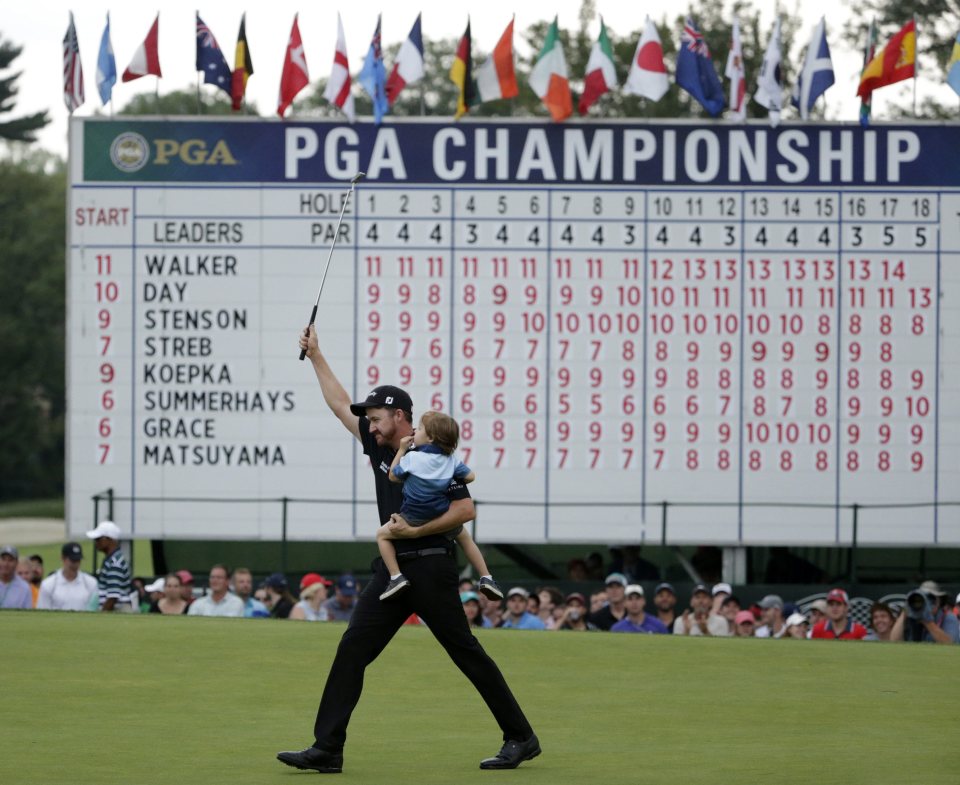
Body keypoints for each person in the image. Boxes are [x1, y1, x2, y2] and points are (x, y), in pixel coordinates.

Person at [279, 332, 538, 773]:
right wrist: (317, 355)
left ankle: (521, 737)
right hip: (392, 573)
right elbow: (340, 404)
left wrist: (416, 527)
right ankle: (327, 748)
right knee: (352, 648)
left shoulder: (434, 455)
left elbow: (465, 509)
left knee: (465, 652)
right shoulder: (382, 446)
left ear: (400, 416)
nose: (371, 426)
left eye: (377, 418)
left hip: (433, 569)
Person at [380, 410, 502, 604]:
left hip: (412, 515)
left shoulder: (412, 458)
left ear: (430, 437)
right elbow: (471, 477)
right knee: (464, 537)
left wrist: (402, 450)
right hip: (440, 514)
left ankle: (396, 577)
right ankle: (486, 577)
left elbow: (393, 476)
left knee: (382, 535)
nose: (415, 431)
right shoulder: (451, 461)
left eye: (419, 428)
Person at [890, 580, 959, 644]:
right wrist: (905, 611)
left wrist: (927, 621)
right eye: (918, 601)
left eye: (932, 598)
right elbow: (894, 641)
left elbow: (949, 643)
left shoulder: (948, 617)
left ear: (939, 601)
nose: (929, 603)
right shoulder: (910, 616)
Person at [86, 521, 133, 612]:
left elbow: (113, 596)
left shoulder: (115, 563)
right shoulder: (112, 560)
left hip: (118, 610)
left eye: (98, 539)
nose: (96, 542)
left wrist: (102, 615)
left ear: (109, 540)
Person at [36, 542, 98, 611]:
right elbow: (42, 611)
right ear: (63, 558)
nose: (76, 563)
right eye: (73, 560)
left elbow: (93, 610)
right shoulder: (48, 584)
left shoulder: (91, 583)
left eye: (78, 560)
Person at [1, 545, 34, 610]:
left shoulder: (24, 588)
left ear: (16, 563)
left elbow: (27, 615)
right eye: (3, 559)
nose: (6, 564)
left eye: (10, 560)